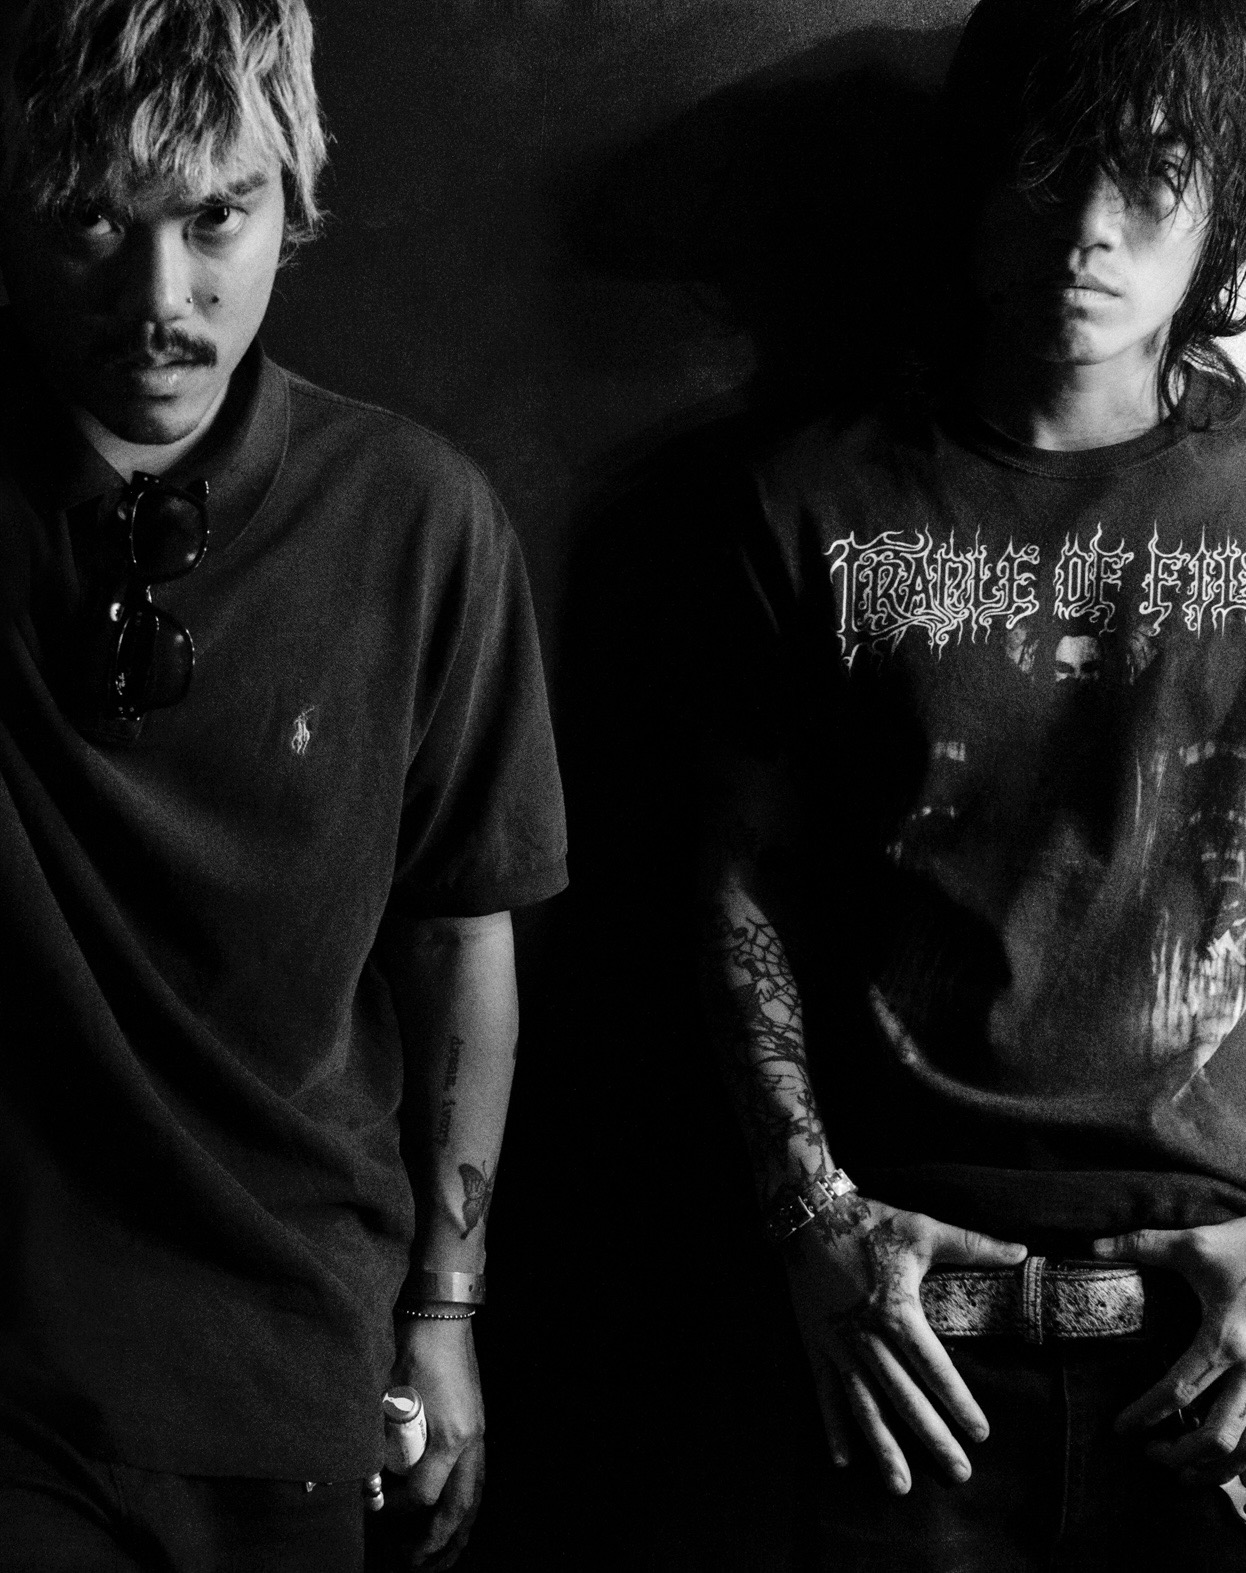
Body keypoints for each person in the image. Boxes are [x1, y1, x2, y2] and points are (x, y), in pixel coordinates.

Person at [0, 2, 566, 1570]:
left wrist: (444, 1310)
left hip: (293, 1369)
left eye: (215, 218)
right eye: (91, 220)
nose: (156, 298)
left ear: (292, 205)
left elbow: (460, 941)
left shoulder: (418, 524)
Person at [700, 0, 1246, 1566]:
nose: (1087, 228)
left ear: (1220, 198)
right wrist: (809, 1218)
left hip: (1209, 1353)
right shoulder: (806, 500)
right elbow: (736, 884)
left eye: (1149, 170)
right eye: (1048, 163)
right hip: (904, 1349)